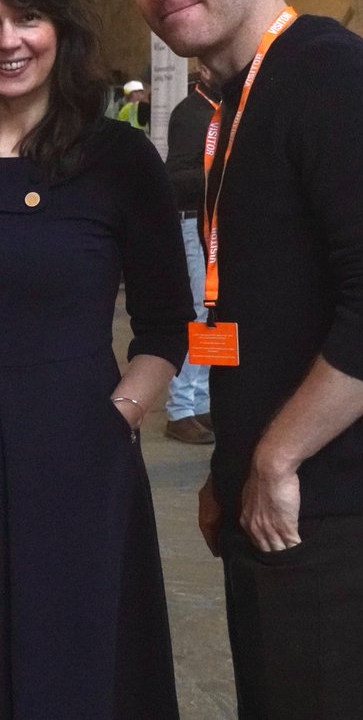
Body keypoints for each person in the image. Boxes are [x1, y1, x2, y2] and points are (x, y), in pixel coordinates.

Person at [113, 0, 363, 718]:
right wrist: (236, 464)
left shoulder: (329, 74)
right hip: (272, 501)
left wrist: (277, 454)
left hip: (338, 508)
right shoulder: (241, 95)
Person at [0, 0, 192, 718]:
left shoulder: (118, 159)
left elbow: (165, 325)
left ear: (62, 29)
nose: (9, 42)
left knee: (72, 665)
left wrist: (117, 418)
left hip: (75, 452)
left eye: (28, 18)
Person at [163, 64, 218, 445]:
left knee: (211, 312)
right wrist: (223, 171)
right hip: (190, 222)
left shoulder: (225, 108)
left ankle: (200, 402)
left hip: (213, 226)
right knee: (196, 312)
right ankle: (179, 409)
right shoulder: (190, 113)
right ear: (202, 71)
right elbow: (176, 178)